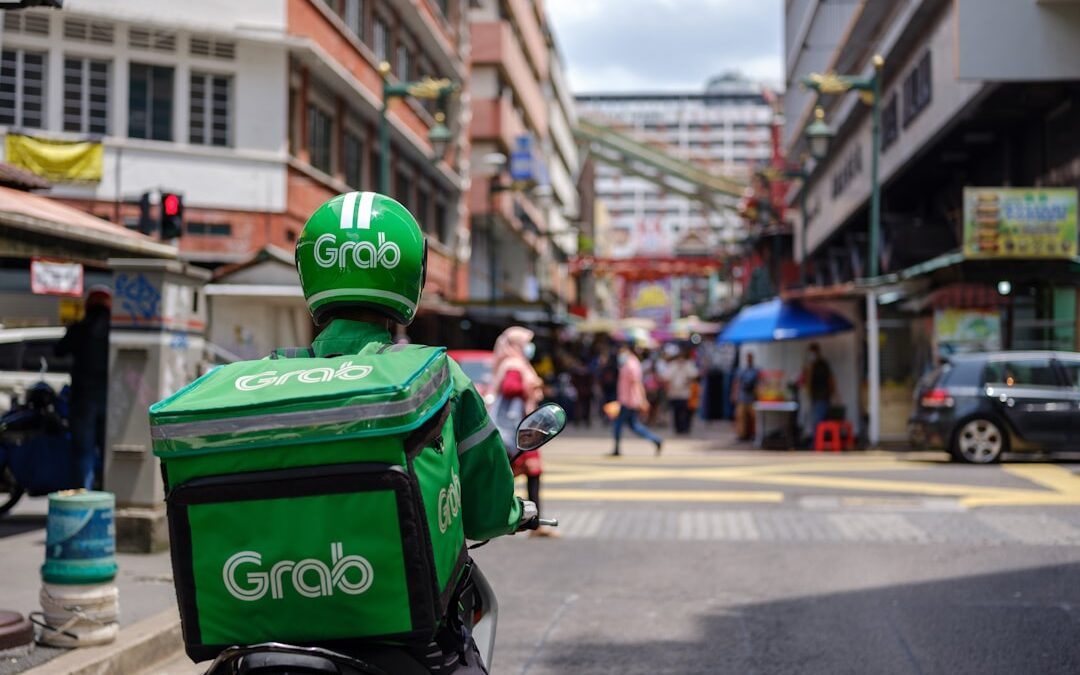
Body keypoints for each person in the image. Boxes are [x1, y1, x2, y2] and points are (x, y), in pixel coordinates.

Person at [293, 192, 525, 673]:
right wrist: (514, 511)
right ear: (410, 277)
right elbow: (485, 512)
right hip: (399, 626)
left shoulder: (266, 380)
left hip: (277, 610)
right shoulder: (438, 377)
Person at [491, 326, 554, 538]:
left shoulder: (516, 363)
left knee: (527, 472)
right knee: (506, 474)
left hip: (521, 429)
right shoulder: (514, 365)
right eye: (525, 343)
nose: (529, 347)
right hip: (516, 431)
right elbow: (510, 388)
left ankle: (533, 521)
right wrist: (531, 387)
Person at [55, 285, 111, 490]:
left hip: (83, 399)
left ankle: (84, 497)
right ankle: (109, 494)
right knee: (109, 453)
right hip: (112, 400)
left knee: (83, 451)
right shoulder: (115, 332)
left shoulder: (79, 328)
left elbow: (59, 350)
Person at [611, 342, 663, 456]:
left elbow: (637, 383)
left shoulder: (631, 364)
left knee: (618, 424)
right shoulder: (628, 363)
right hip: (626, 399)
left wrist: (643, 400)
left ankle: (616, 449)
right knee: (634, 426)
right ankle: (656, 440)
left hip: (629, 401)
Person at [803, 342, 835, 442]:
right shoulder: (810, 365)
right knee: (815, 421)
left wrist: (833, 392)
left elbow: (830, 379)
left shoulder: (822, 365)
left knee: (818, 421)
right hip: (814, 397)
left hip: (823, 396)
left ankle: (816, 444)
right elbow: (807, 380)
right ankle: (816, 443)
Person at [666, 347, 700, 435]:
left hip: (685, 393)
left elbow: (695, 375)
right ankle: (678, 428)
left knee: (686, 412)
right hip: (674, 393)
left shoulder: (688, 365)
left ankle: (686, 427)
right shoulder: (672, 365)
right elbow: (667, 376)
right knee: (676, 412)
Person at [730, 351, 759, 441]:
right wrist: (734, 394)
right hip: (742, 397)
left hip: (751, 398)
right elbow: (736, 383)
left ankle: (754, 434)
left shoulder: (755, 371)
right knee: (741, 417)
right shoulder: (741, 370)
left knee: (753, 417)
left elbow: (757, 384)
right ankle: (742, 434)